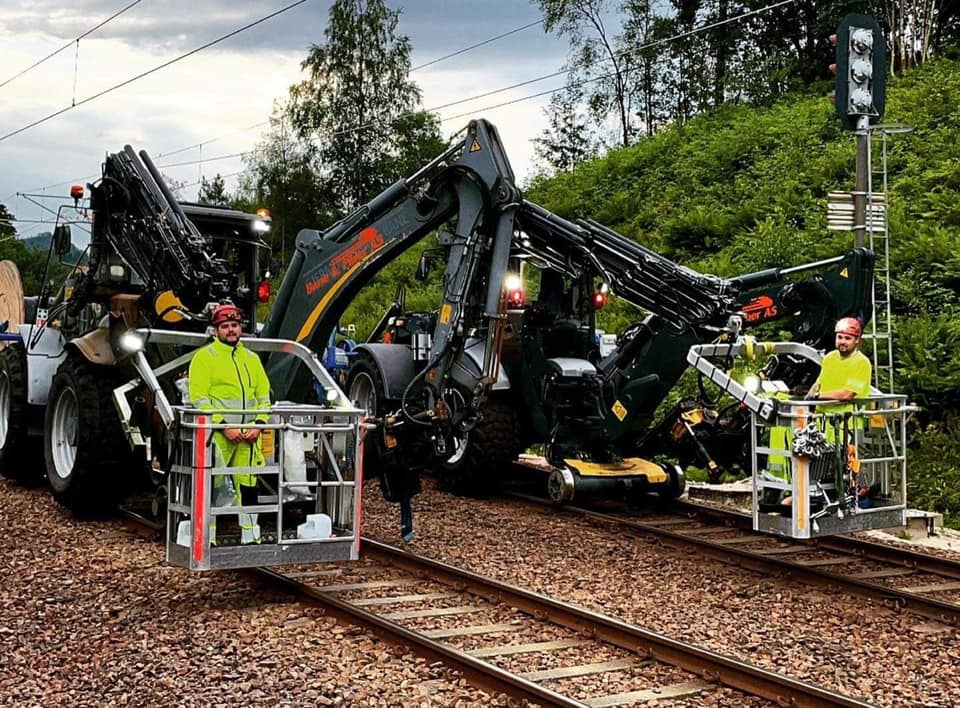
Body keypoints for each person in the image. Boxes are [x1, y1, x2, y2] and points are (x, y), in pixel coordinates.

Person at [189, 303, 271, 544]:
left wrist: (258, 423)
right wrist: (224, 425)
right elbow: (199, 398)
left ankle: (250, 537)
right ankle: (208, 538)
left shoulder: (251, 359)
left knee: (248, 486)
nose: (231, 330)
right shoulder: (205, 358)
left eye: (234, 325)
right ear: (216, 330)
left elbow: (264, 396)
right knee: (214, 486)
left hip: (248, 436)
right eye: (225, 326)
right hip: (218, 436)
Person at [807, 317, 872, 405]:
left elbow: (847, 394)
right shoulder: (830, 357)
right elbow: (818, 384)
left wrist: (817, 396)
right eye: (839, 337)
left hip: (849, 416)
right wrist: (809, 398)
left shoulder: (861, 362)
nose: (842, 341)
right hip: (822, 415)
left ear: (857, 340)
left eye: (847, 338)